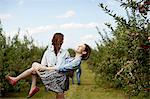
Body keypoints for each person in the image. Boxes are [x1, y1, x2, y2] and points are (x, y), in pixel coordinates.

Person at [6, 43, 91, 98]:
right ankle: (27, 85)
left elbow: (60, 68)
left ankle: (21, 82)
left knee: (35, 66)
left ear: (84, 52)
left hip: (57, 76)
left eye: (80, 46)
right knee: (34, 68)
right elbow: (59, 64)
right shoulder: (72, 58)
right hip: (57, 76)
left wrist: (46, 68)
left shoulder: (77, 61)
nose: (78, 46)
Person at [6, 33, 70, 99]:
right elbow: (42, 65)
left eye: (61, 41)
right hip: (50, 74)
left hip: (60, 76)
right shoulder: (48, 52)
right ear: (54, 41)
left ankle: (23, 83)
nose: (60, 43)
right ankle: (21, 82)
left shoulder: (65, 53)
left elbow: (68, 67)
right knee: (35, 67)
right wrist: (46, 69)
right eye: (58, 41)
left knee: (34, 66)